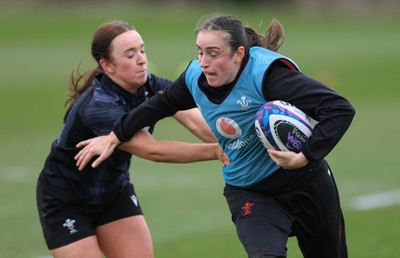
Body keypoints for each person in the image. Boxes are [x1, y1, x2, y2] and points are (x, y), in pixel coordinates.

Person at [75, 14, 355, 258]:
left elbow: (339, 109)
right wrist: (115, 135)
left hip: (307, 182)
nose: (204, 62)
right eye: (199, 52)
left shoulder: (268, 76)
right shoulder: (195, 77)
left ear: (238, 54)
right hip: (252, 190)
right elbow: (160, 105)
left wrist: (305, 155)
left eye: (213, 53)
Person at [36, 20, 229, 258]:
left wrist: (234, 141)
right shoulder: (99, 105)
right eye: (130, 55)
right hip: (67, 200)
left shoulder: (151, 85)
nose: (141, 59)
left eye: (142, 50)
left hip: (114, 193)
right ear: (107, 66)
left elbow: (196, 122)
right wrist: (215, 151)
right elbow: (153, 151)